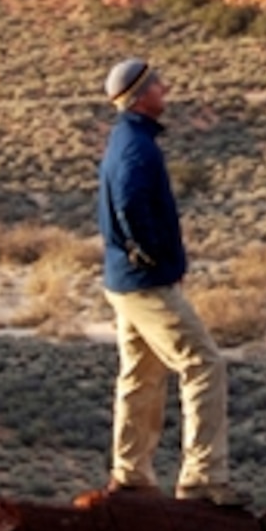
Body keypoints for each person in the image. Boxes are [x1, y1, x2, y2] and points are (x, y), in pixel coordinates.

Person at [95, 56, 232, 501]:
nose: (165, 89)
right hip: (144, 282)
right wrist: (150, 253)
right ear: (140, 96)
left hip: (124, 280)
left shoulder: (125, 139)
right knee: (203, 365)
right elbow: (131, 204)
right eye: (158, 84)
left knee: (140, 375)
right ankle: (202, 478)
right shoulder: (138, 147)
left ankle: (131, 473)